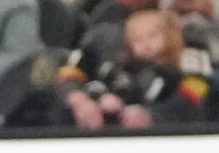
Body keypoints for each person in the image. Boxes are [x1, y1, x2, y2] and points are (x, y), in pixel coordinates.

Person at [56, 7, 211, 128]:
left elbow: (196, 96)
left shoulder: (190, 55)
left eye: (152, 36)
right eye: (137, 40)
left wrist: (151, 115)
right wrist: (80, 100)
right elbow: (67, 72)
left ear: (170, 34)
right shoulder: (126, 67)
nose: (146, 44)